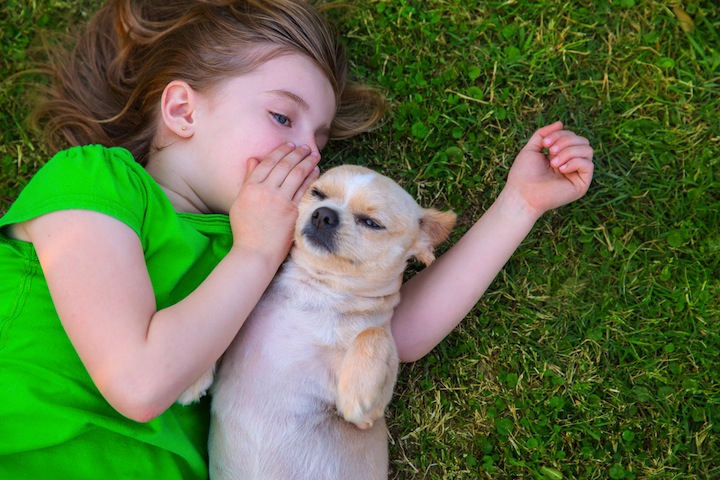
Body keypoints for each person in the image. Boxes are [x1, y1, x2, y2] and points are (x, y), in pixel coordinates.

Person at [0, 0, 594, 478]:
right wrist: (254, 251)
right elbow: (140, 381)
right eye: (283, 117)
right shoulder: (95, 183)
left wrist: (519, 205)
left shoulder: (275, 243)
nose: (307, 153)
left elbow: (395, 328)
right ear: (182, 110)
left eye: (319, 140)